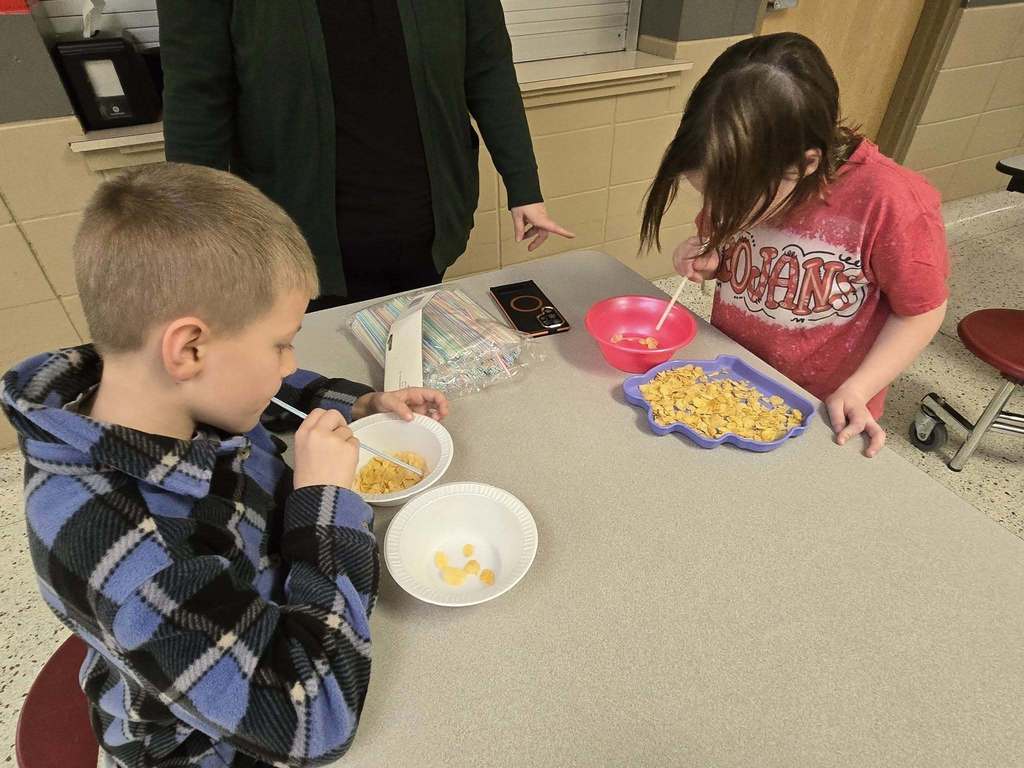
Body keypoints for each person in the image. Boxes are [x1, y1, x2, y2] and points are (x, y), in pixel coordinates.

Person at [0, 163, 449, 767]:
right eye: (280, 343)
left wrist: (357, 402)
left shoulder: (155, 390)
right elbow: (313, 725)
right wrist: (324, 507)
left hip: (262, 606)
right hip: (209, 739)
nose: (290, 365)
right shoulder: (135, 554)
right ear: (188, 348)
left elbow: (260, 391)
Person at [641, 33, 949, 458]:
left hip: (824, 408)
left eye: (733, 200)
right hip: (732, 382)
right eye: (706, 194)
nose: (717, 210)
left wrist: (859, 388)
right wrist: (709, 254)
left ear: (807, 163)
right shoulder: (742, 174)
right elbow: (724, 245)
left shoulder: (890, 201)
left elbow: (922, 311)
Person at [157, 0, 574, 309]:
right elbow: (197, 96)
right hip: (295, 234)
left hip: (424, 226)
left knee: (408, 380)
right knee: (321, 385)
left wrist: (523, 187)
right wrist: (197, 233)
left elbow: (489, 69)